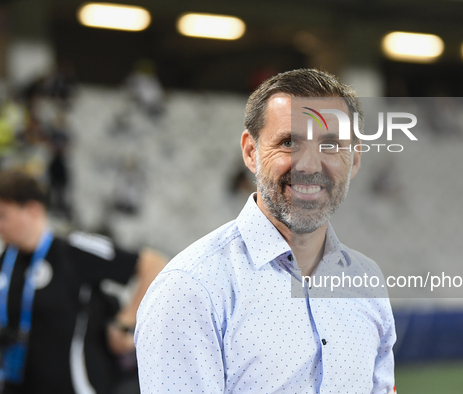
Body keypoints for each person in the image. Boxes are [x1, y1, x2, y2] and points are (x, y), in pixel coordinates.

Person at [135, 68, 396, 393]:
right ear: (250, 151)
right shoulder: (191, 290)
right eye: (289, 142)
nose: (309, 165)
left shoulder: (366, 283)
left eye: (330, 145)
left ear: (354, 159)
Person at [0, 170, 167, 394]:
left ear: (32, 210)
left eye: (3, 215)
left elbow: (153, 264)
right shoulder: (6, 260)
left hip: (77, 386)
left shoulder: (74, 250)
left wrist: (126, 322)